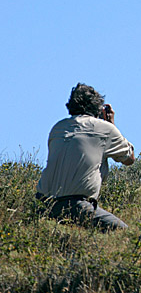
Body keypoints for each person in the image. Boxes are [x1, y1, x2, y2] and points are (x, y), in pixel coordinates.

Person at [36, 83, 135, 231]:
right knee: (126, 234)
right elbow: (129, 159)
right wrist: (111, 124)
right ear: (97, 107)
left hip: (42, 204)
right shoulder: (104, 129)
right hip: (76, 205)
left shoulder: (58, 128)